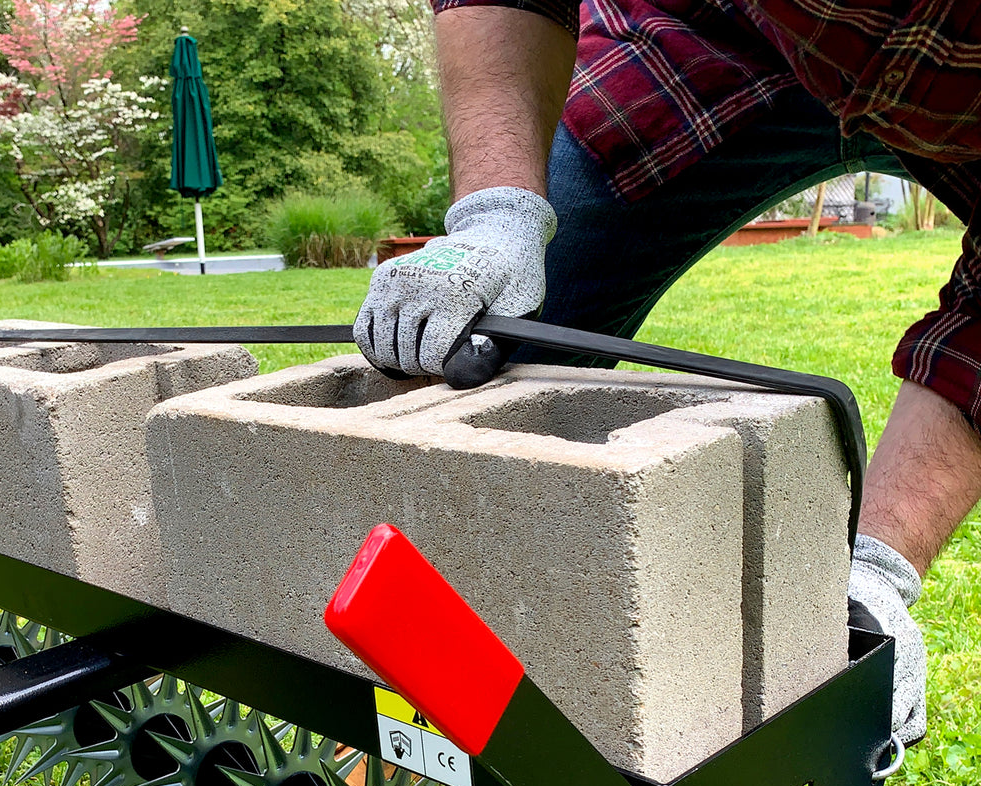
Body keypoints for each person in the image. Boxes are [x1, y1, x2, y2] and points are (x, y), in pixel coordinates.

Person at [354, 0, 981, 748]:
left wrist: (878, 568)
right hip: (722, 32)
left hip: (958, 109)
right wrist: (498, 210)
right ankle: (414, 698)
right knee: (492, 350)